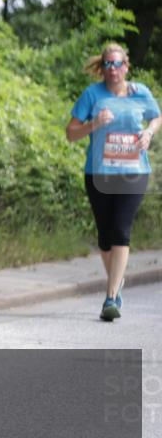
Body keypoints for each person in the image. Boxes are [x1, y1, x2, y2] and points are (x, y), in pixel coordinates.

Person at [66, 43, 161, 321]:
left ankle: (110, 298)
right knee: (105, 238)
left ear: (126, 67)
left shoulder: (140, 92)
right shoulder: (92, 95)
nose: (112, 69)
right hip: (99, 173)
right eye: (107, 64)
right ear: (102, 67)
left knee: (121, 230)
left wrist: (149, 133)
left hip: (134, 173)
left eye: (117, 64)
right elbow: (71, 133)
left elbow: (156, 117)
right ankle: (117, 285)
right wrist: (93, 124)